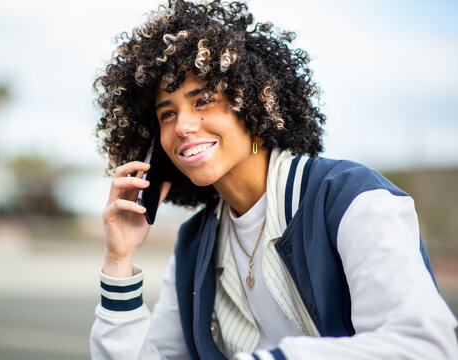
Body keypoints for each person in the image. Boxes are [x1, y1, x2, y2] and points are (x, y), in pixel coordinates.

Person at [90, 1, 458, 359]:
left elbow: (425, 346)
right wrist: (118, 261)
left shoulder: (353, 199)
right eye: (167, 114)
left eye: (202, 101)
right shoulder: (194, 242)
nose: (182, 126)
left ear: (251, 106)